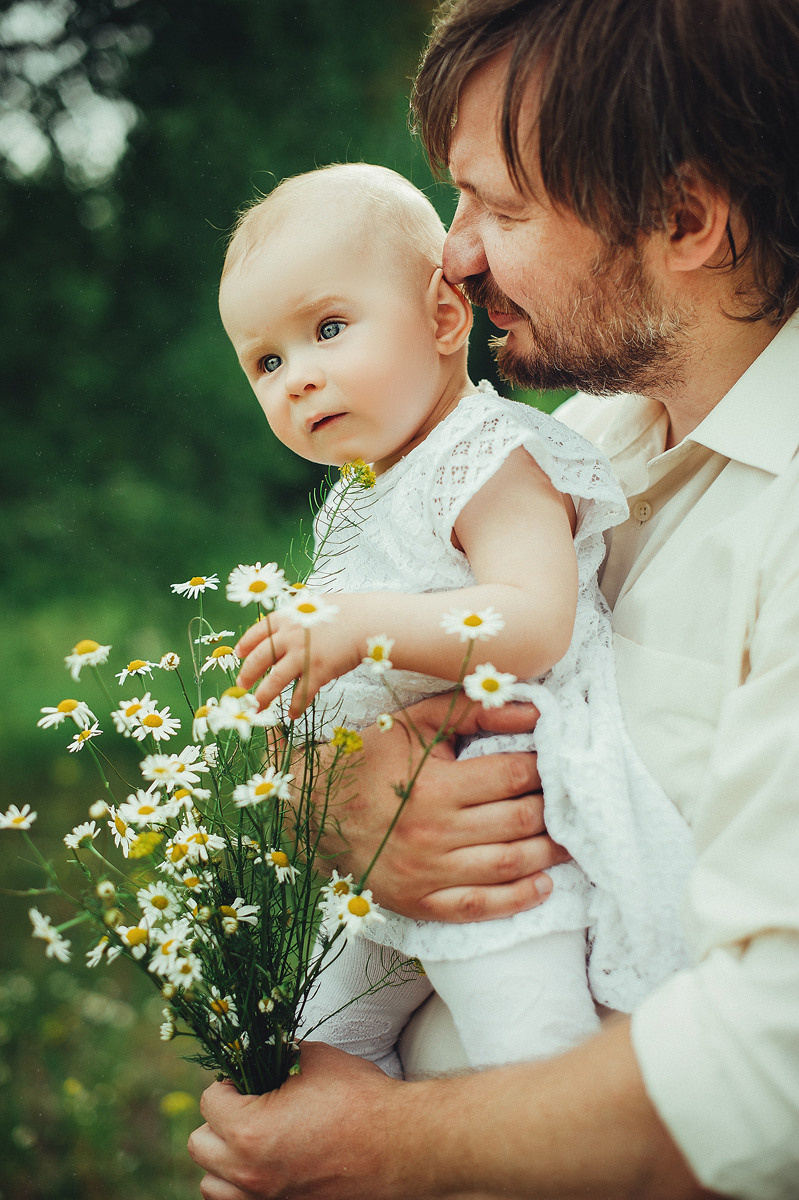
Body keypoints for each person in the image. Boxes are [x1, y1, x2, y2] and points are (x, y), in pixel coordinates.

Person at [188, 1, 799, 1197]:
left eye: (501, 210)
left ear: (686, 219)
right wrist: (345, 802)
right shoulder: (586, 433)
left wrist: (378, 1148)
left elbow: (774, 1062)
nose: (454, 256)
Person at [217, 161, 694, 1079]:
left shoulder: (488, 456)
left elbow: (535, 621)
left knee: (529, 1055)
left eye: (327, 329)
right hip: (387, 836)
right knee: (317, 1046)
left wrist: (358, 624)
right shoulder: (362, 494)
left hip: (498, 829)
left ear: (442, 318)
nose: (298, 379)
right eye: (267, 362)